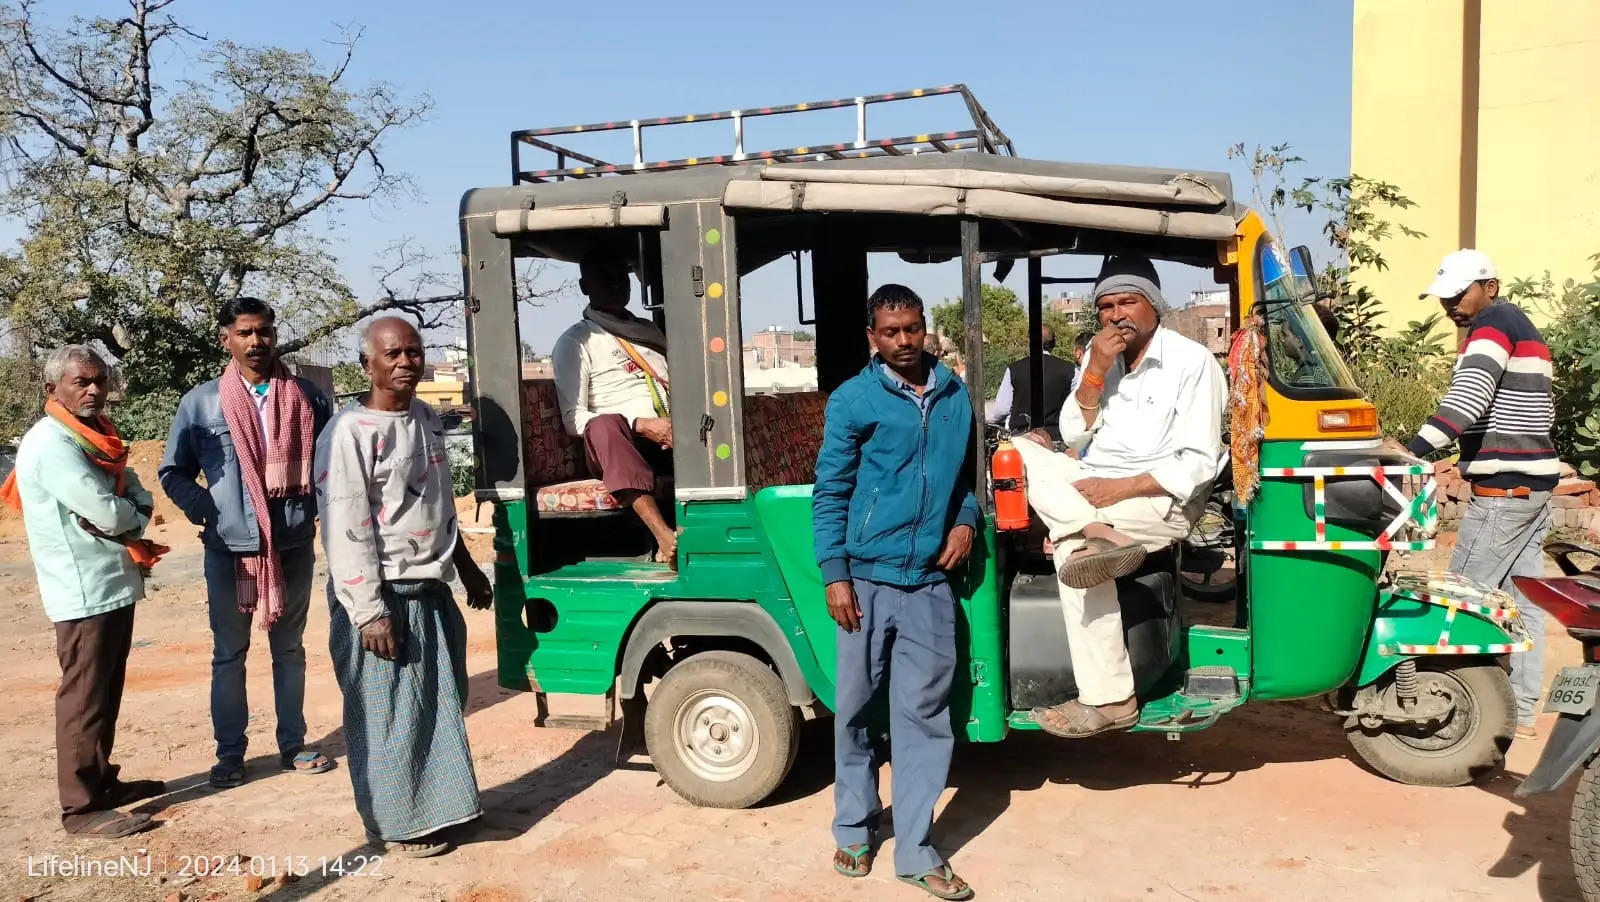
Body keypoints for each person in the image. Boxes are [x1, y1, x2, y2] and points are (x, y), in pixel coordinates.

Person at [1012, 256, 1226, 738]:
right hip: (1096, 493)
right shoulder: (1098, 358)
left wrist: (1120, 489)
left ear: (1154, 305)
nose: (1115, 315)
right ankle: (1095, 531)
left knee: (1072, 557)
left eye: (1127, 302)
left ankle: (1112, 700)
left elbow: (1195, 463)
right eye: (1106, 306)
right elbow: (1073, 432)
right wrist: (1095, 371)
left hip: (1158, 499)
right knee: (1018, 451)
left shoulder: (1192, 363)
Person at [814, 284, 979, 901]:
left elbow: (966, 479)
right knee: (854, 710)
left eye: (913, 329)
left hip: (929, 584)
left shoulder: (956, 395)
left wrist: (965, 522)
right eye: (891, 332)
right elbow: (830, 490)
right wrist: (835, 574)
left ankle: (915, 849)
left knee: (925, 718)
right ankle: (855, 828)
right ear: (872, 338)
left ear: (925, 328)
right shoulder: (854, 399)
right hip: (865, 580)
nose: (905, 342)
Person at [316, 316, 495, 857]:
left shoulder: (425, 420)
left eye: (413, 353)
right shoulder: (348, 433)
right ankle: (396, 825)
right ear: (367, 364)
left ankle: (441, 810)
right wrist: (369, 612)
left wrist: (465, 566)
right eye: (392, 354)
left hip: (430, 588)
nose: (404, 363)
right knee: (390, 715)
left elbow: (437, 505)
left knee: (439, 706)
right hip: (382, 595)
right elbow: (346, 526)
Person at [159, 297, 335, 789]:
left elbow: (328, 469)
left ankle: (293, 746)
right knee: (228, 656)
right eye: (245, 333)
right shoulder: (201, 402)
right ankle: (230, 754)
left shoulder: (307, 396)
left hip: (293, 543)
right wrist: (209, 511)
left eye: (264, 331)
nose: (256, 341)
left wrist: (318, 512)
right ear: (226, 339)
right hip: (228, 550)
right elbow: (173, 472)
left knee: (291, 650)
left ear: (274, 335)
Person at [3, 346, 166, 837]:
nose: (94, 389)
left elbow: (135, 488)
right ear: (52, 390)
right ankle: (80, 808)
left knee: (104, 692)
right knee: (83, 699)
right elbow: (110, 510)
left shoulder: (94, 437)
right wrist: (136, 518)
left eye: (98, 380)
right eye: (81, 382)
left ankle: (100, 784)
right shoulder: (50, 444)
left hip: (110, 583)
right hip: (82, 591)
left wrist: (132, 512)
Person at [1409, 249, 1555, 739]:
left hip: (1503, 490)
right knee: (1521, 602)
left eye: (1459, 294)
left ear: (1489, 286)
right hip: (1532, 487)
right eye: (1444, 297)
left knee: (1462, 599)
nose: (1450, 304)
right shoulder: (1521, 324)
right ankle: (1524, 712)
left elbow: (1467, 400)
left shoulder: (1491, 326)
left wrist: (1415, 450)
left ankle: (1451, 719)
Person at [552, 248, 676, 563]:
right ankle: (663, 537)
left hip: (670, 435)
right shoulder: (576, 342)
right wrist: (642, 425)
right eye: (604, 278)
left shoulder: (649, 331)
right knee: (604, 425)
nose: (616, 285)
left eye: (621, 277)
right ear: (585, 287)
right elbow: (573, 418)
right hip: (617, 444)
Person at [987, 325, 1076, 437]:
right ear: (1053, 343)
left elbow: (1001, 410)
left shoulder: (1014, 369)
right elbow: (1077, 406)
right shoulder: (1070, 370)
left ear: (1030, 342)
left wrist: (989, 421)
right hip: (1057, 438)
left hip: (1022, 438)